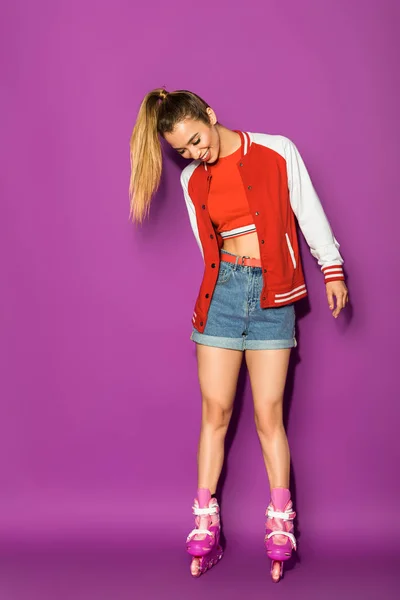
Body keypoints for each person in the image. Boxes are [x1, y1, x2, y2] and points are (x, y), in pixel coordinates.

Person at [129, 88, 349, 582]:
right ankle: (205, 520)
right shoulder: (191, 181)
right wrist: (226, 287)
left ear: (209, 115)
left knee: (270, 414)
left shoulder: (276, 150)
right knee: (216, 412)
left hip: (275, 295)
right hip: (222, 298)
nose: (194, 154)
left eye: (196, 140)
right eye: (183, 150)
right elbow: (207, 246)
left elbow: (307, 210)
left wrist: (331, 266)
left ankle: (279, 521)